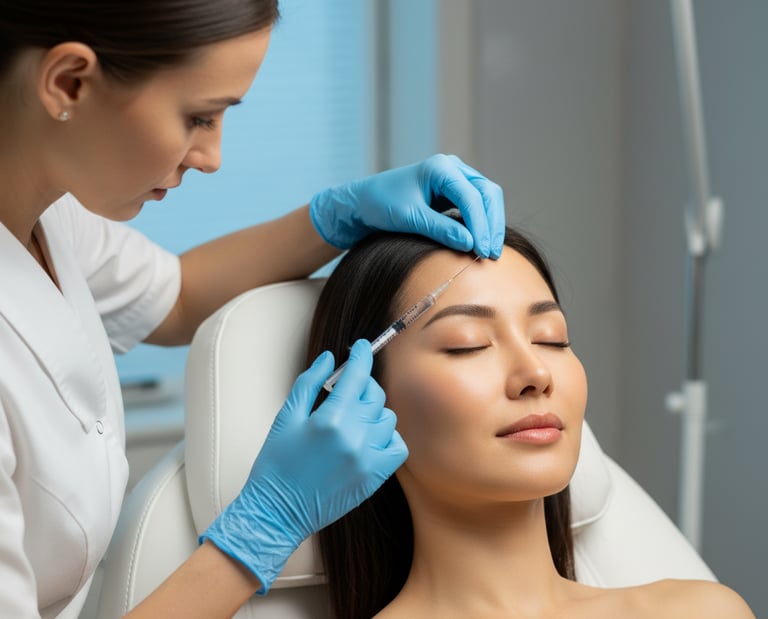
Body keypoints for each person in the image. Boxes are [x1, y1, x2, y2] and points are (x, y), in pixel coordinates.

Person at [0, 2, 507, 617]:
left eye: (553, 337)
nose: (212, 156)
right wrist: (264, 528)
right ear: (69, 82)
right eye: (198, 116)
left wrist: (337, 216)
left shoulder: (50, 208)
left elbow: (177, 295)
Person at [306, 226, 755, 619]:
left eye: (552, 339)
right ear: (360, 399)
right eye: (468, 345)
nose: (536, 374)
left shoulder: (704, 611)